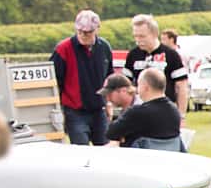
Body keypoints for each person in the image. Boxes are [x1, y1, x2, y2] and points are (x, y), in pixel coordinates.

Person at [52, 9, 114, 145]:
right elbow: (55, 82)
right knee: (81, 153)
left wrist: (109, 102)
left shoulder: (104, 47)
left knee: (106, 150)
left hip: (99, 110)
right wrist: (60, 110)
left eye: (88, 32)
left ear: (97, 29)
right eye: (80, 31)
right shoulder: (63, 49)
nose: (83, 35)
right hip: (75, 112)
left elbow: (109, 78)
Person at [122, 16, 189, 115]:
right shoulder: (133, 55)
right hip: (140, 111)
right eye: (135, 36)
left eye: (142, 36)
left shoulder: (171, 55)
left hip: (166, 111)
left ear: (155, 34)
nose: (138, 40)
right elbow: (125, 85)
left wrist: (181, 115)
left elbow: (181, 86)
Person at [106, 69, 186, 151]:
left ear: (145, 87)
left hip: (142, 160)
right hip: (169, 160)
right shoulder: (174, 111)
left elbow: (111, 133)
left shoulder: (137, 112)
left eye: (138, 84)